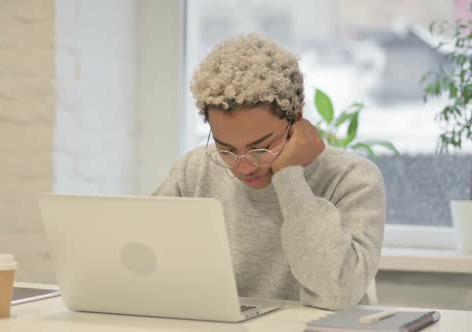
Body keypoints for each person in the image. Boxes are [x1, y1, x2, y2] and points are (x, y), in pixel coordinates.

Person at [154, 34, 386, 310]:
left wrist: (288, 175)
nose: (243, 165)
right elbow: (140, 260)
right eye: (226, 149)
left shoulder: (353, 179)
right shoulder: (194, 170)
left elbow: (335, 293)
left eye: (261, 148)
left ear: (297, 117)